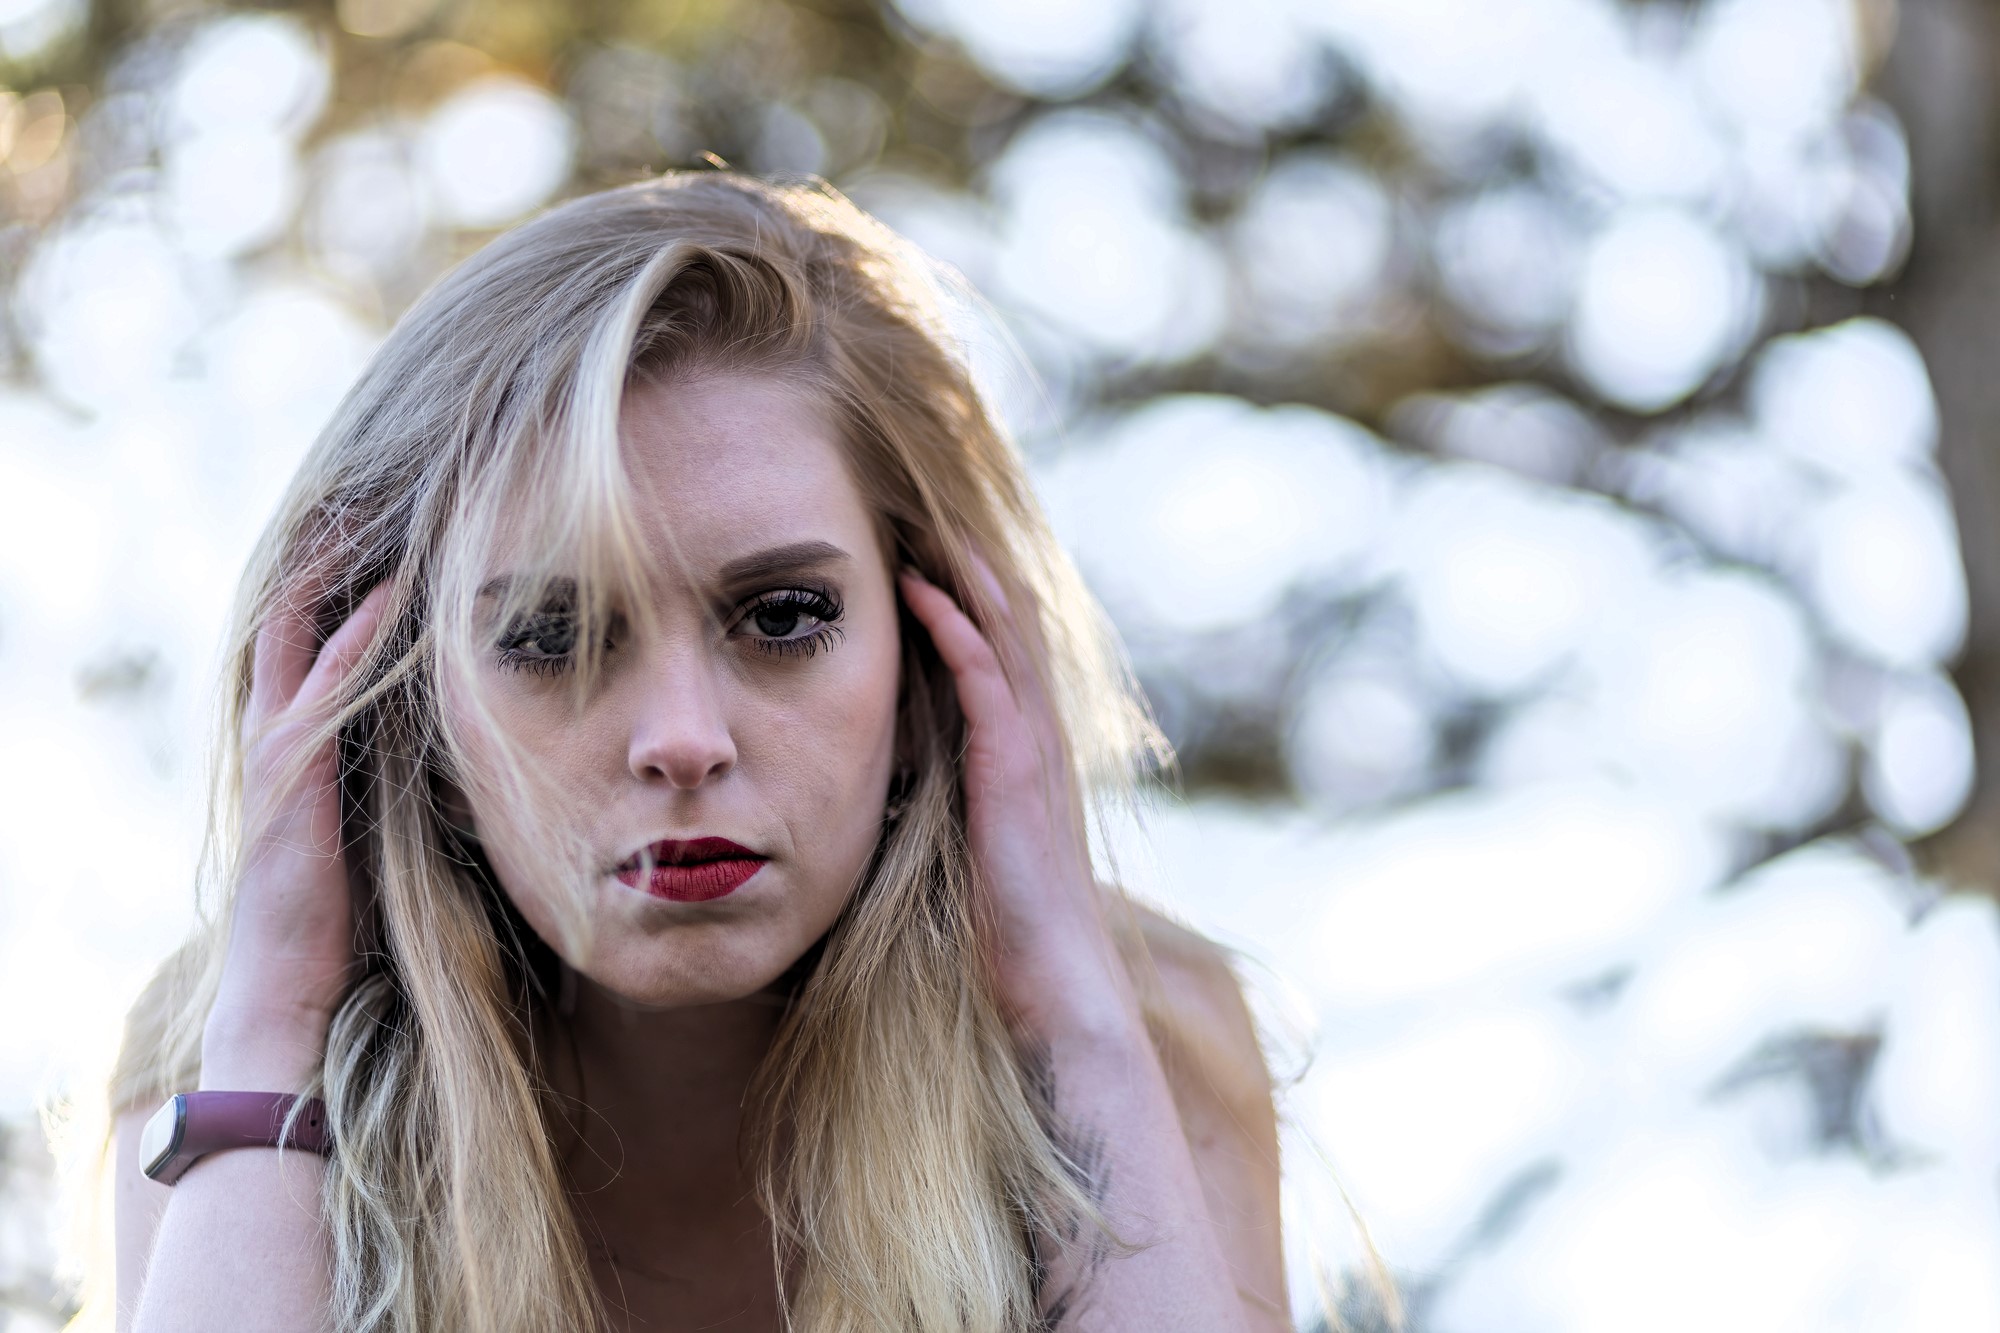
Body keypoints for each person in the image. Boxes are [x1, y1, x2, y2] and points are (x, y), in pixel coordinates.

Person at [104, 171, 1287, 1332]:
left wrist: (1072, 1018)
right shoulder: (233, 1059)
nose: (681, 740)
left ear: (931, 664)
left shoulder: (1142, 1030)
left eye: (781, 617)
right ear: (407, 721)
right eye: (551, 635)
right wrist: (269, 1018)